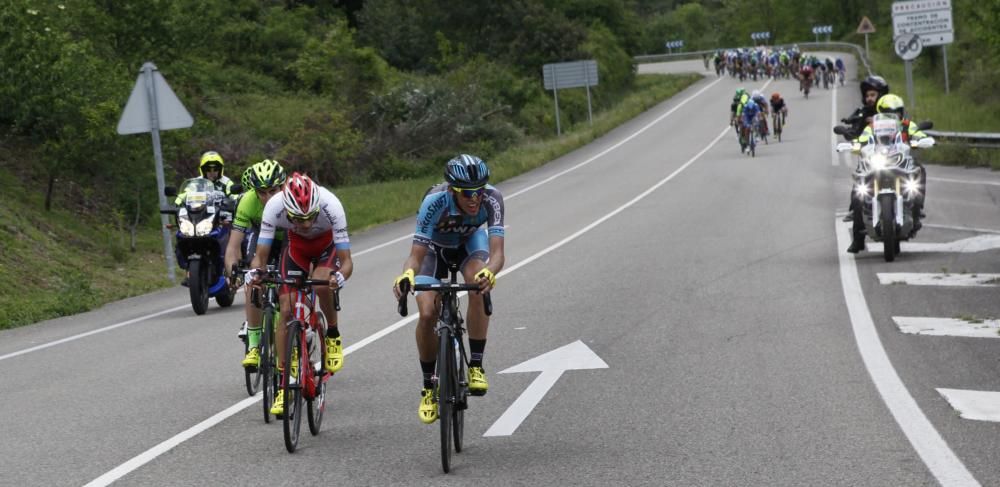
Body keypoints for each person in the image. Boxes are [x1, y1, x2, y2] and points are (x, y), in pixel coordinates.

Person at [392, 154, 506, 424]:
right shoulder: (434, 201)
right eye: (467, 193)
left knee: (478, 282)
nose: (474, 198)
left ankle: (476, 364)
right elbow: (416, 255)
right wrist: (407, 273)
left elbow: (498, 254)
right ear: (453, 189)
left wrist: (490, 271)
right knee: (428, 312)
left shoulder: (493, 198)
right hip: (434, 249)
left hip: (468, 245)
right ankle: (428, 386)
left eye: (479, 191)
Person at [248, 172, 353, 415]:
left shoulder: (332, 205)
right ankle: (284, 385)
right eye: (297, 219)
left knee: (320, 282)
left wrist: (338, 277)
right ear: (286, 209)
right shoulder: (274, 207)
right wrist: (255, 273)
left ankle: (333, 335)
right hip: (297, 249)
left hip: (327, 247)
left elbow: (347, 261)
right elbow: (261, 255)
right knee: (286, 309)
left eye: (310, 217)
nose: (305, 225)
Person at [223, 159, 288, 368]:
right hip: (262, 238)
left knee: (293, 279)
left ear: (283, 186)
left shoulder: (291, 199)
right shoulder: (247, 202)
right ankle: (254, 346)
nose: (268, 197)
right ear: (254, 191)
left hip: (288, 237)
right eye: (262, 192)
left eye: (273, 191)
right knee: (253, 277)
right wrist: (232, 272)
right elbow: (233, 246)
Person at [846, 94, 930, 253]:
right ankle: (858, 239)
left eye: (897, 111)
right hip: (877, 163)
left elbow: (919, 134)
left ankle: (917, 207)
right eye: (887, 111)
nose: (894, 115)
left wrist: (921, 140)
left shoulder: (907, 125)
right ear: (879, 112)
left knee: (920, 171)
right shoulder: (871, 128)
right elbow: (862, 140)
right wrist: (854, 145)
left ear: (901, 112)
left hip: (902, 164)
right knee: (859, 190)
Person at [840, 76, 890, 223]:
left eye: (873, 95)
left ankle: (915, 207)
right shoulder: (862, 113)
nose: (869, 98)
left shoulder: (892, 110)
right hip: (871, 157)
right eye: (867, 95)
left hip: (894, 154)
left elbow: (904, 125)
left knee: (917, 172)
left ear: (881, 94)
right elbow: (854, 130)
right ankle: (856, 228)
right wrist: (848, 132)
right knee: (859, 184)